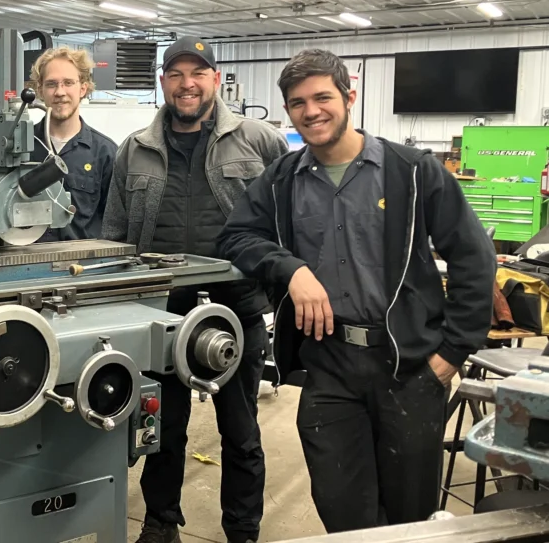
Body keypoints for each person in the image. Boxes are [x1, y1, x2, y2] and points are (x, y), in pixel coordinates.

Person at [216, 48, 496, 533]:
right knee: (343, 511)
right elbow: (235, 236)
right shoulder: (282, 179)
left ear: (349, 97)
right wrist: (291, 270)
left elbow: (475, 257)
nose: (311, 111)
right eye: (298, 103)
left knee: (410, 518)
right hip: (330, 368)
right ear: (288, 111)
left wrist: (451, 352)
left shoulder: (413, 171)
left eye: (322, 97)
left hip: (408, 367)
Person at [103, 36, 288, 543]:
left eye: (197, 73)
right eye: (177, 74)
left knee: (241, 433)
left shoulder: (259, 140)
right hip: (161, 313)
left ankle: (242, 530)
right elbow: (116, 232)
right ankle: (162, 523)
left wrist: (278, 288)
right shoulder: (135, 149)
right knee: (162, 429)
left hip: (237, 309)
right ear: (163, 82)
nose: (188, 84)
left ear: (214, 78)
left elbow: (287, 219)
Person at [28, 46, 116, 241]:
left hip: (83, 267)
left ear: (83, 88)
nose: (60, 92)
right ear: (40, 90)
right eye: (51, 84)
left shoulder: (105, 153)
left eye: (68, 83)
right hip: (27, 265)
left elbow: (115, 224)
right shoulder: (22, 146)